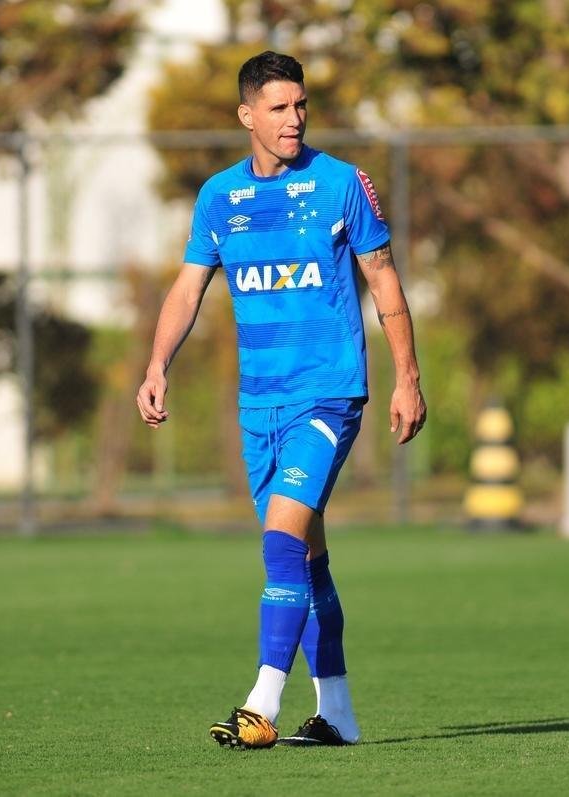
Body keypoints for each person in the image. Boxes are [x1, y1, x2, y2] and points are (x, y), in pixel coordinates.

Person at [136, 50, 426, 749]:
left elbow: (383, 279)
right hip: (258, 406)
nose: (294, 119)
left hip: (328, 396)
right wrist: (156, 363)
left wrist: (408, 375)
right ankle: (339, 715)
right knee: (307, 560)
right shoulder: (219, 199)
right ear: (247, 115)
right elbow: (186, 290)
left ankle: (260, 703)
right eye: (278, 107)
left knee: (279, 541)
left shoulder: (341, 184)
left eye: (301, 105)